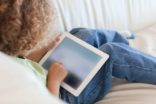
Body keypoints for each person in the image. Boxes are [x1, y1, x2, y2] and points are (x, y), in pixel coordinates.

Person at [0, 0, 156, 104]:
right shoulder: (14, 78)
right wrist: (54, 80)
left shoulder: (8, 50)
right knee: (112, 53)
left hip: (51, 70)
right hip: (64, 93)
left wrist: (48, 46)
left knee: (80, 34)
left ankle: (123, 37)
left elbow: (26, 57)